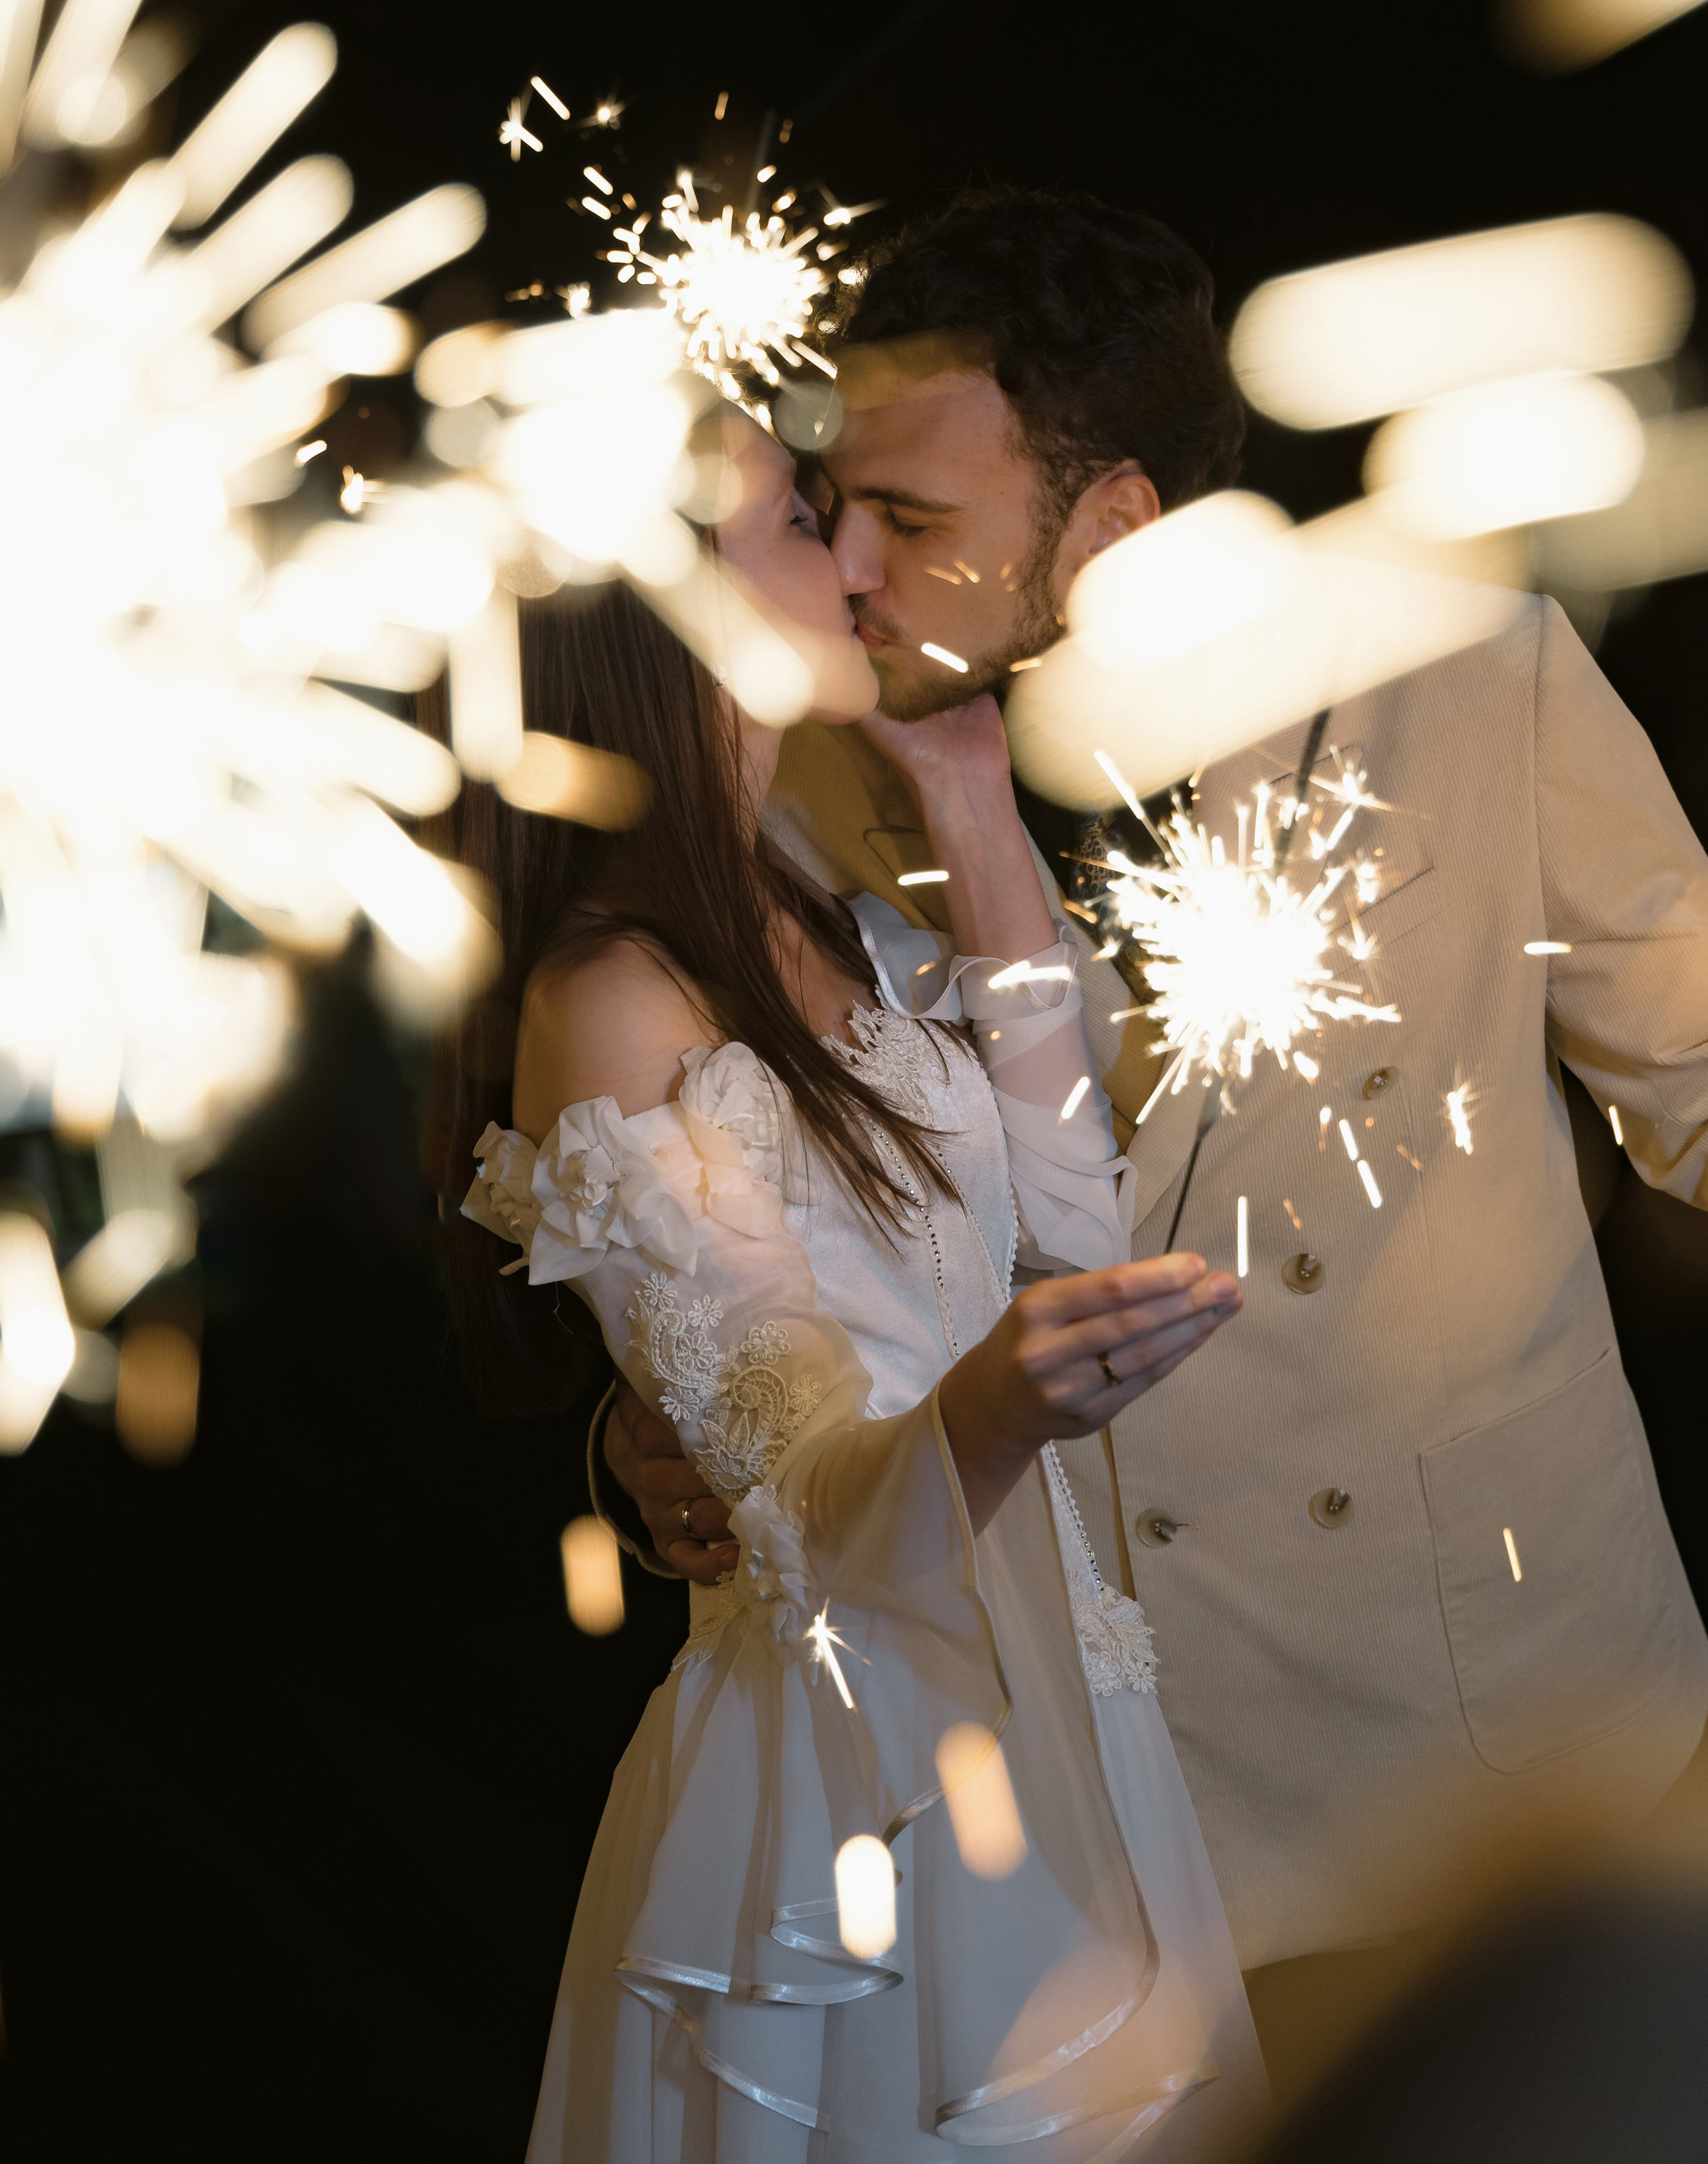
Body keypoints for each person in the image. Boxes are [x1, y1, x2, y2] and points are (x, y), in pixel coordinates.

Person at [602, 187, 1708, 2069]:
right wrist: (666, 1412)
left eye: (913, 520)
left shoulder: (1461, 665)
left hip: (1508, 1733)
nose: (849, 567)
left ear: (1113, 523)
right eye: (836, 504)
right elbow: (737, 1211)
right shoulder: (790, 794)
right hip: (1097, 1788)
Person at [441, 398, 1271, 2159]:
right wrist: (989, 1409)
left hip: (1052, 1693)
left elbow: (1074, 1228)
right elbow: (807, 1511)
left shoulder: (826, 911)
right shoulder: (612, 1001)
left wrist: (968, 795)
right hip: (852, 1788)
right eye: (805, 521)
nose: (860, 561)